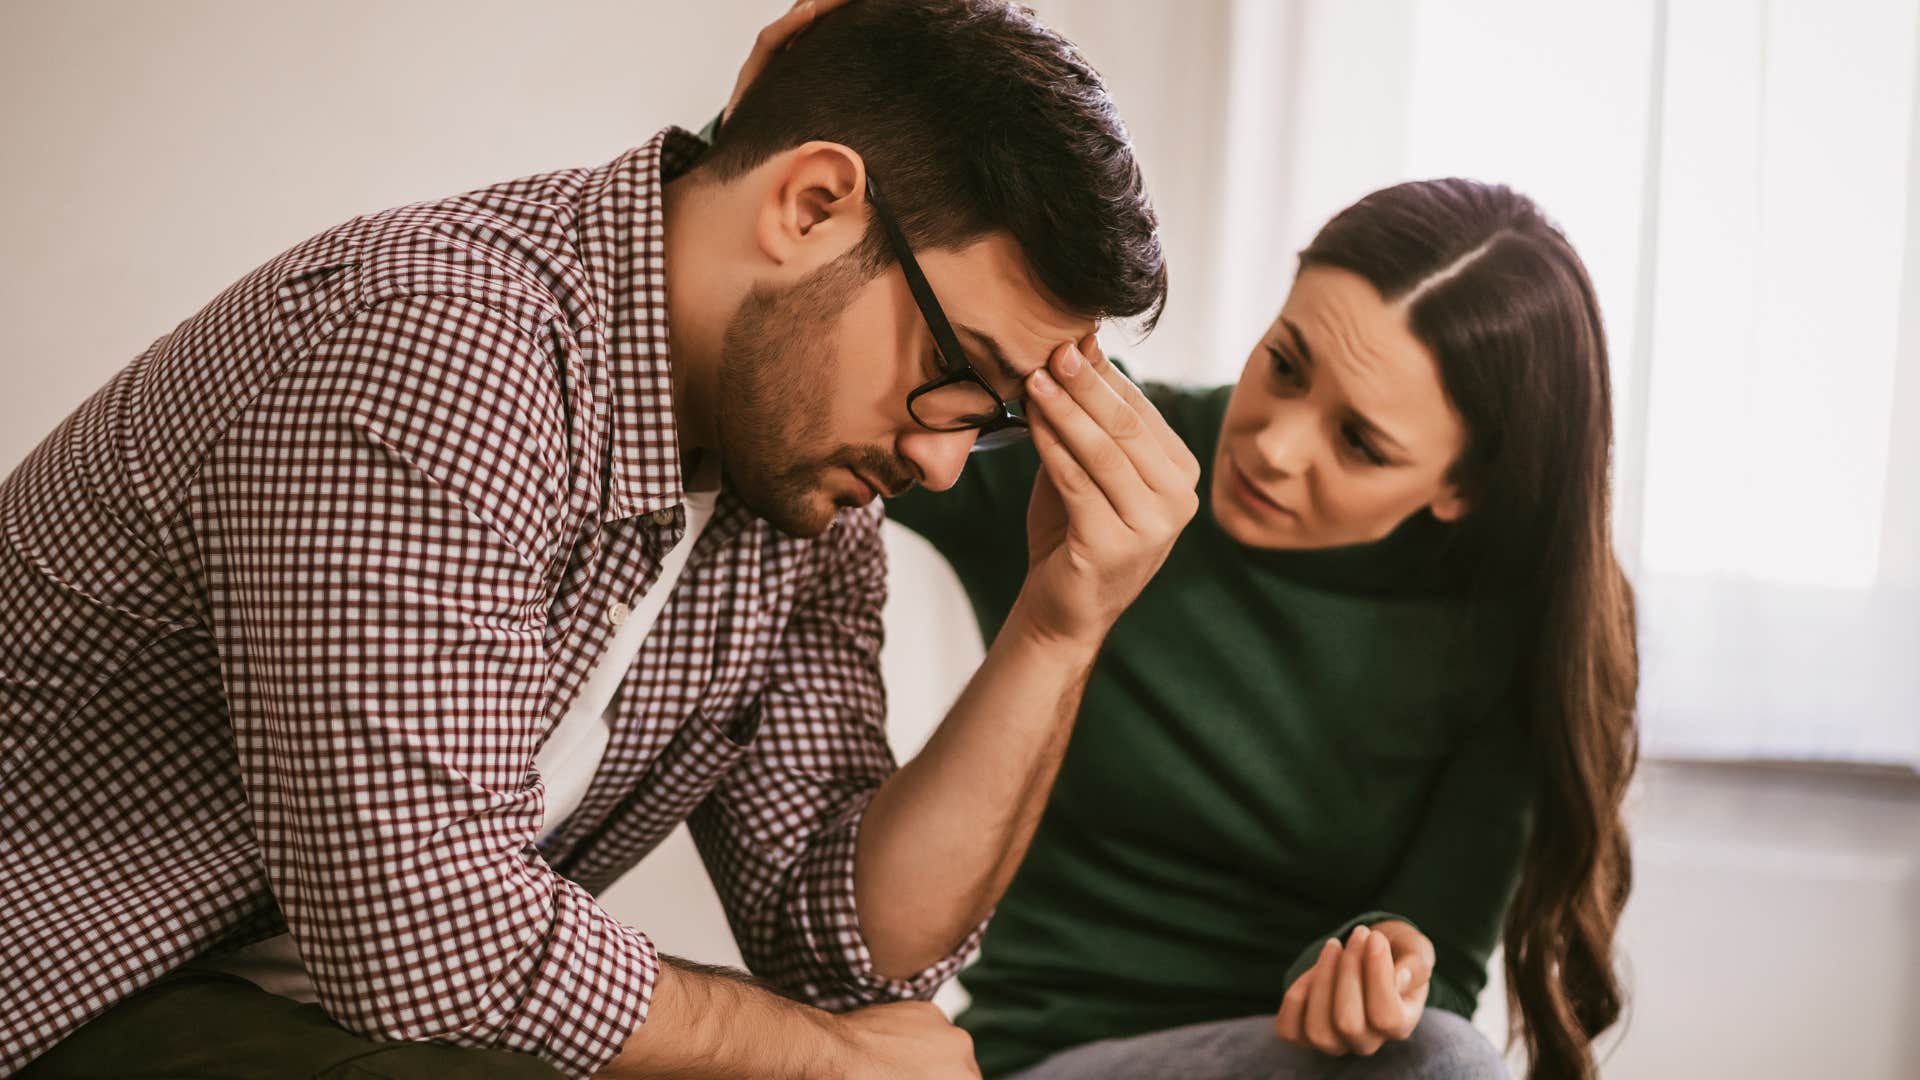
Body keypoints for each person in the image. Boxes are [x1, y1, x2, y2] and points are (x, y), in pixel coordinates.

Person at [0, 2, 1202, 1077]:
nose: (941, 465)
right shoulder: (442, 347)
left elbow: (845, 948)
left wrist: (1060, 622)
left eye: (990, 422)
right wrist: (826, 1062)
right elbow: (422, 935)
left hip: (309, 1024)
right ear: (810, 206)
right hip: (64, 1004)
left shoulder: (798, 493)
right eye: (953, 369)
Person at [883, 180, 1640, 1080]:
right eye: (1284, 364)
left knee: (1440, 1056)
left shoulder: (1510, 636)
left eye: (1359, 443)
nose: (1275, 447)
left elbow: (1440, 971)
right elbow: (803, 408)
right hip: (1047, 1058)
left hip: (1305, 1062)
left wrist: (1380, 966)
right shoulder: (1103, 463)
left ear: (1462, 488)